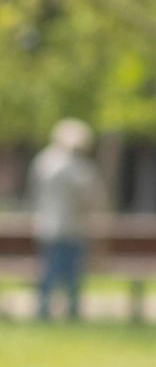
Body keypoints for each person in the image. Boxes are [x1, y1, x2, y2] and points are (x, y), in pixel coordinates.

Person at [29, 118, 103, 322]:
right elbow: (91, 198)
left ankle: (43, 309)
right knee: (71, 273)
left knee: (49, 271)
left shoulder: (43, 162)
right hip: (73, 228)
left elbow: (34, 194)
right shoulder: (80, 169)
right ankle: (71, 311)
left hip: (47, 226)